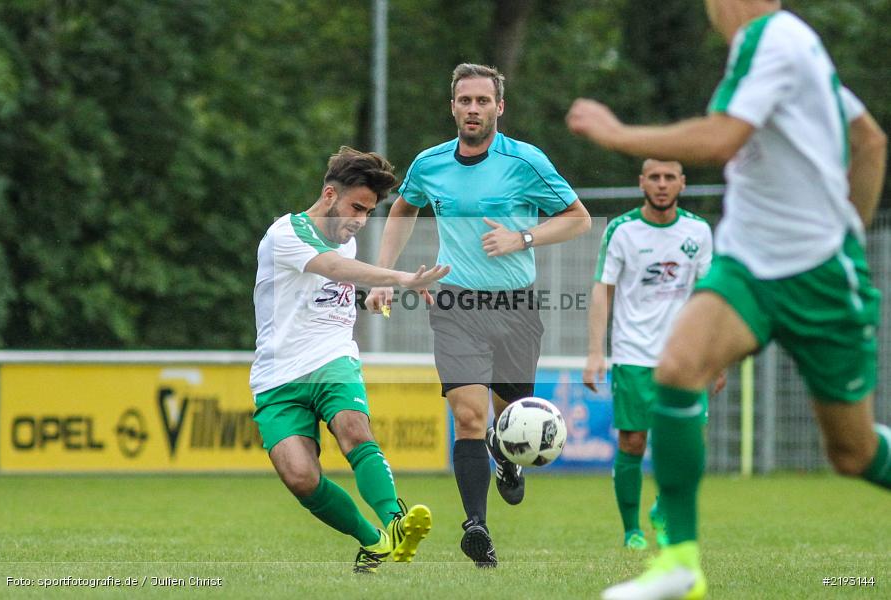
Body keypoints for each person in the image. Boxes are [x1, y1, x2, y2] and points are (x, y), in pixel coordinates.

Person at [567, 1, 888, 598]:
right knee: (679, 368)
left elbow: (721, 139)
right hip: (748, 266)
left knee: (855, 453)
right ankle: (680, 563)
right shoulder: (782, 46)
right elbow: (868, 141)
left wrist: (617, 134)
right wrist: (852, 227)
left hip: (815, 275)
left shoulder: (776, 40)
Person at [365, 63, 592, 567]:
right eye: (465, 100)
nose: (473, 109)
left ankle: (507, 458)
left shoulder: (526, 161)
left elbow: (577, 219)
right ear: (452, 106)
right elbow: (404, 208)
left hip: (515, 305)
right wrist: (385, 273)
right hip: (454, 305)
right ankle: (476, 527)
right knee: (468, 415)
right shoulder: (429, 164)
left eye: (482, 101)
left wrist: (522, 237)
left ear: (499, 108)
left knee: (510, 415)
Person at [249, 147, 451, 574]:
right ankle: (373, 540)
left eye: (369, 211)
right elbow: (334, 269)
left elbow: (337, 283)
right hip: (277, 376)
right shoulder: (286, 233)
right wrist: (399, 279)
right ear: (328, 194)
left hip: (332, 359)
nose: (360, 219)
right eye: (356, 207)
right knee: (300, 478)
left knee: (354, 430)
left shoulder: (347, 237)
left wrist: (377, 290)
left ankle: (396, 522)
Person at [583, 159, 722, 552]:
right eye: (655, 178)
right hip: (632, 353)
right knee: (633, 442)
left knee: (687, 443)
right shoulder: (622, 230)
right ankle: (631, 530)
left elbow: (710, 296)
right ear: (642, 182)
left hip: (685, 356)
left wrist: (717, 355)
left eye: (669, 178)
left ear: (682, 183)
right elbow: (601, 289)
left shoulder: (698, 231)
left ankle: (663, 508)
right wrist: (596, 352)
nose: (662, 185)